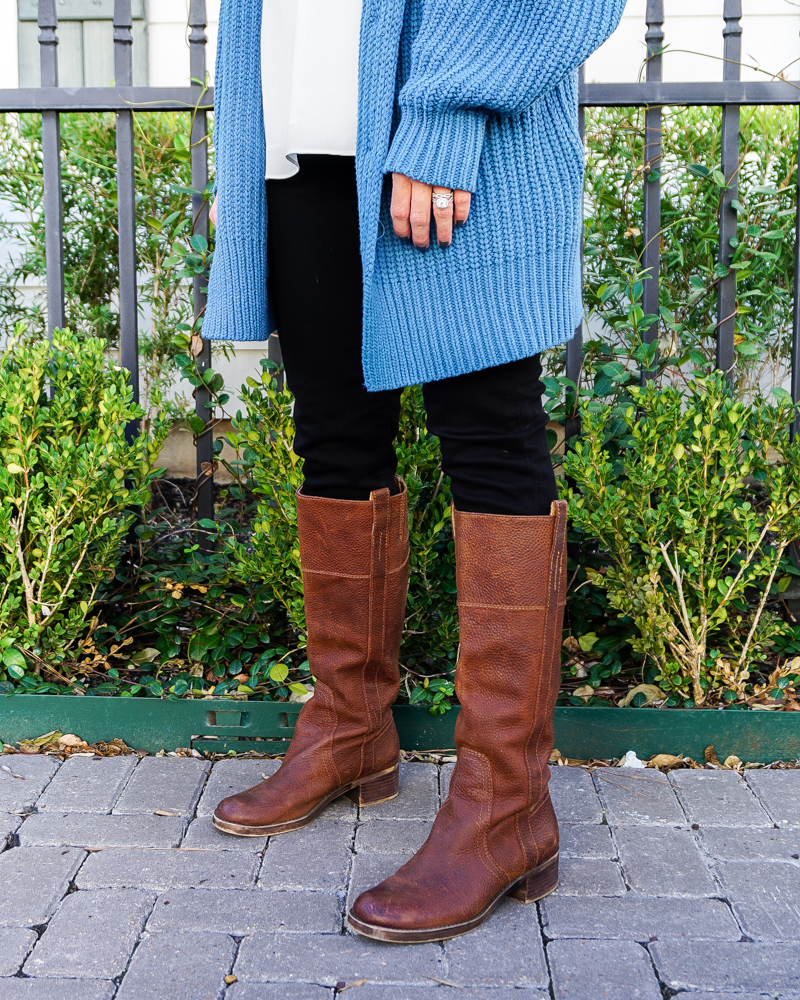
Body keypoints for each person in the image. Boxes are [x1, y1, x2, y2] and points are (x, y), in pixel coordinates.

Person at [205, 0, 625, 943]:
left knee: (491, 443)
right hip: (301, 151)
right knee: (335, 440)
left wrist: (445, 114)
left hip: (454, 148)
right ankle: (350, 727)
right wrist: (246, 139)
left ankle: (506, 804)